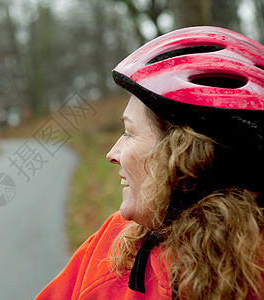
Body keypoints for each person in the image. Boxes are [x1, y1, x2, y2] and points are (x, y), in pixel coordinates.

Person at [35, 26, 263, 299]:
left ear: (186, 153)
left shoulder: (113, 263)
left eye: (129, 132)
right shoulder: (114, 247)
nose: (112, 153)